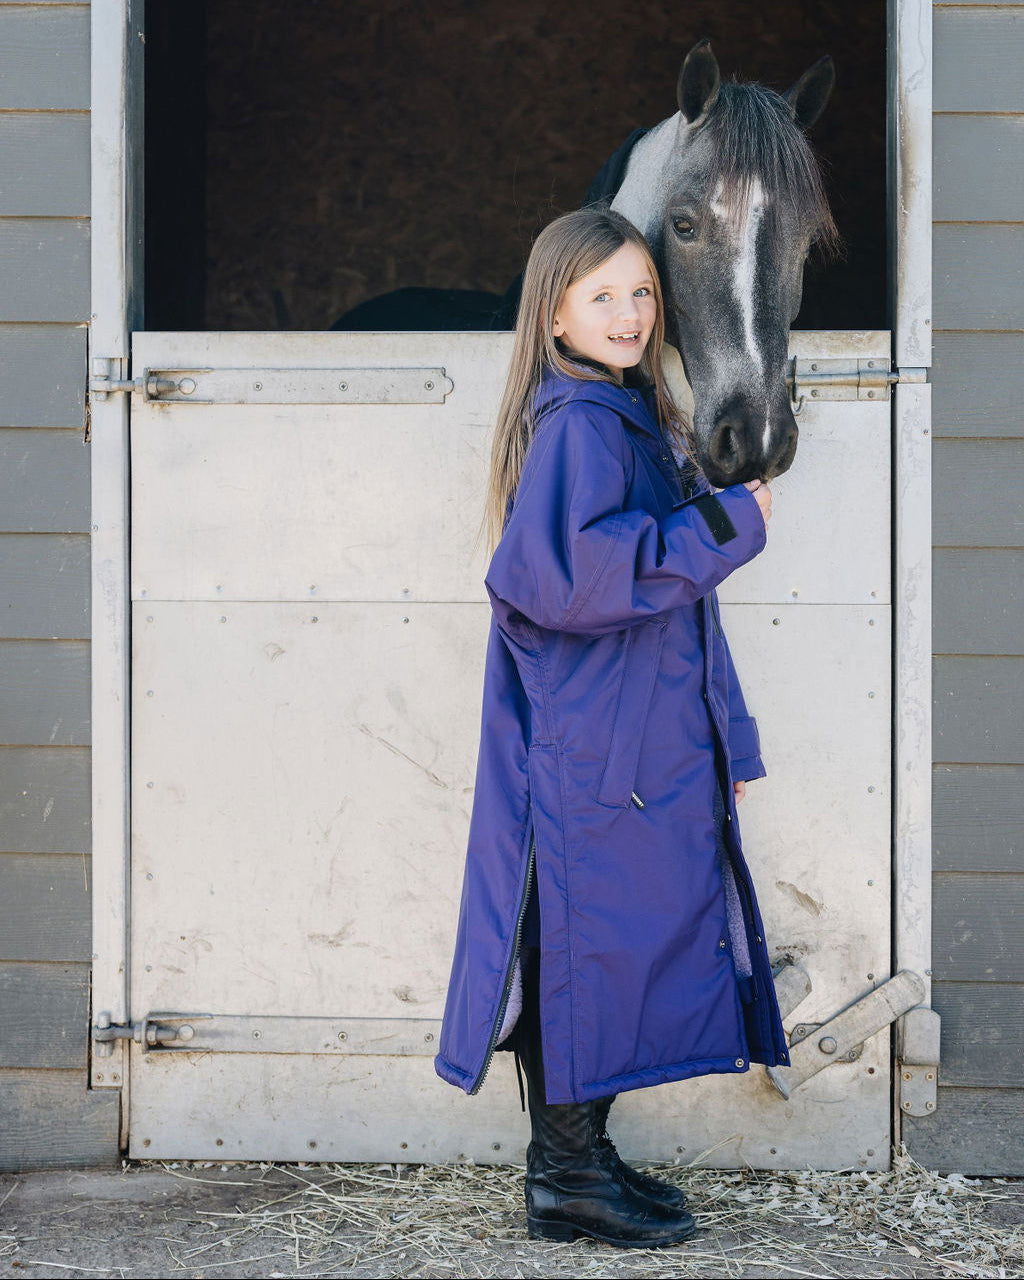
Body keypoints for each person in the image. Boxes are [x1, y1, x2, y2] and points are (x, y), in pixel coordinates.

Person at [434, 206, 791, 1249]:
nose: (631, 314)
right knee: (588, 953)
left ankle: (576, 1164)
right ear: (554, 313)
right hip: (598, 746)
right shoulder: (584, 426)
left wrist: (728, 741)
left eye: (642, 292)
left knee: (600, 950)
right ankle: (567, 1173)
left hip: (627, 737)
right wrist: (726, 524)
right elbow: (573, 579)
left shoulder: (622, 412)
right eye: (604, 296)